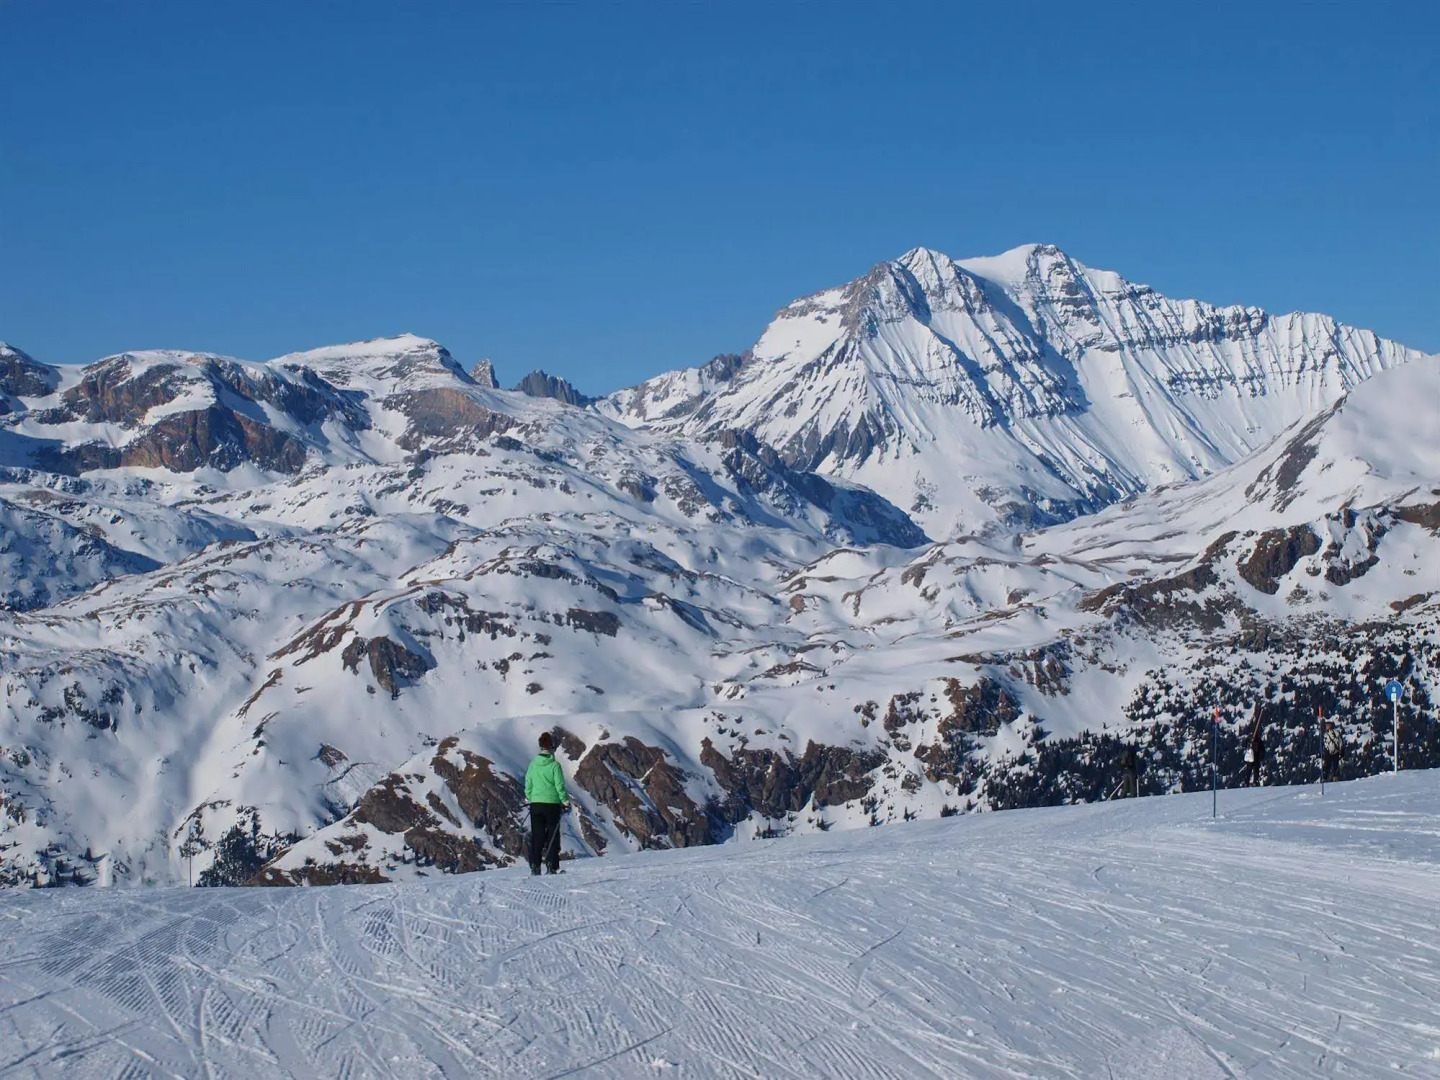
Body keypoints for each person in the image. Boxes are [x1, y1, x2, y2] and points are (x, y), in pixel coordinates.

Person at [524, 731, 573, 875]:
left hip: (536, 804)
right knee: (552, 835)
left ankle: (535, 865)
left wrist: (530, 797)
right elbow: (560, 786)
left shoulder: (533, 764)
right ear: (551, 747)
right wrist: (565, 802)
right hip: (552, 804)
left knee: (537, 835)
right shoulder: (554, 765)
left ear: (540, 746)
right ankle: (551, 865)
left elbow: (528, 783)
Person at [1244, 705, 1265, 787]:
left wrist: (1261, 756)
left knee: (1256, 770)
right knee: (1249, 770)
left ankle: (1255, 781)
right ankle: (1246, 781)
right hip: (1250, 757)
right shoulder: (1249, 740)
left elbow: (1262, 749)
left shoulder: (1259, 741)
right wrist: (1249, 744)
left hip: (1256, 756)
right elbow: (1245, 745)